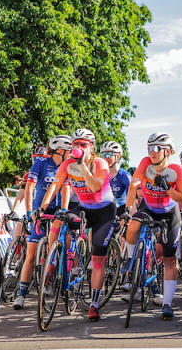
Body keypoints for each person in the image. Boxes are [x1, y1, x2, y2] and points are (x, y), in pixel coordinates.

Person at [38, 129, 115, 321]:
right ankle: (53, 259)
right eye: (76, 144)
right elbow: (55, 186)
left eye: (83, 144)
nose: (78, 147)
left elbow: (96, 186)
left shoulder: (100, 163)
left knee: (98, 259)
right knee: (58, 220)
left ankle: (94, 303)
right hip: (84, 207)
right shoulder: (67, 164)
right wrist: (42, 208)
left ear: (92, 147)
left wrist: (82, 166)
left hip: (105, 211)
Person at [126, 132, 182, 320]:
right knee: (132, 226)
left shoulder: (176, 169)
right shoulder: (145, 163)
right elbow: (134, 183)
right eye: (149, 148)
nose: (151, 152)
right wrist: (128, 208)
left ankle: (167, 303)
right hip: (149, 207)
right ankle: (130, 262)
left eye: (156, 148)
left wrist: (168, 188)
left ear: (167, 151)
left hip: (169, 212)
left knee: (169, 259)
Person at [12, 135, 71, 309]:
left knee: (61, 249)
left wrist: (64, 210)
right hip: (40, 210)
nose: (71, 155)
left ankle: (61, 285)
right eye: (68, 151)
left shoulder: (66, 167)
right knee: (31, 254)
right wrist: (29, 211)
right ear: (61, 150)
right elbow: (29, 187)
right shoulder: (40, 164)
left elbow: (66, 189)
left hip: (57, 210)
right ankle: (21, 294)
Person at [102, 141, 132, 217]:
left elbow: (132, 200)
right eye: (103, 155)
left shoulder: (125, 176)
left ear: (118, 156)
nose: (106, 158)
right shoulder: (101, 175)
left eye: (109, 154)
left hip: (122, 211)